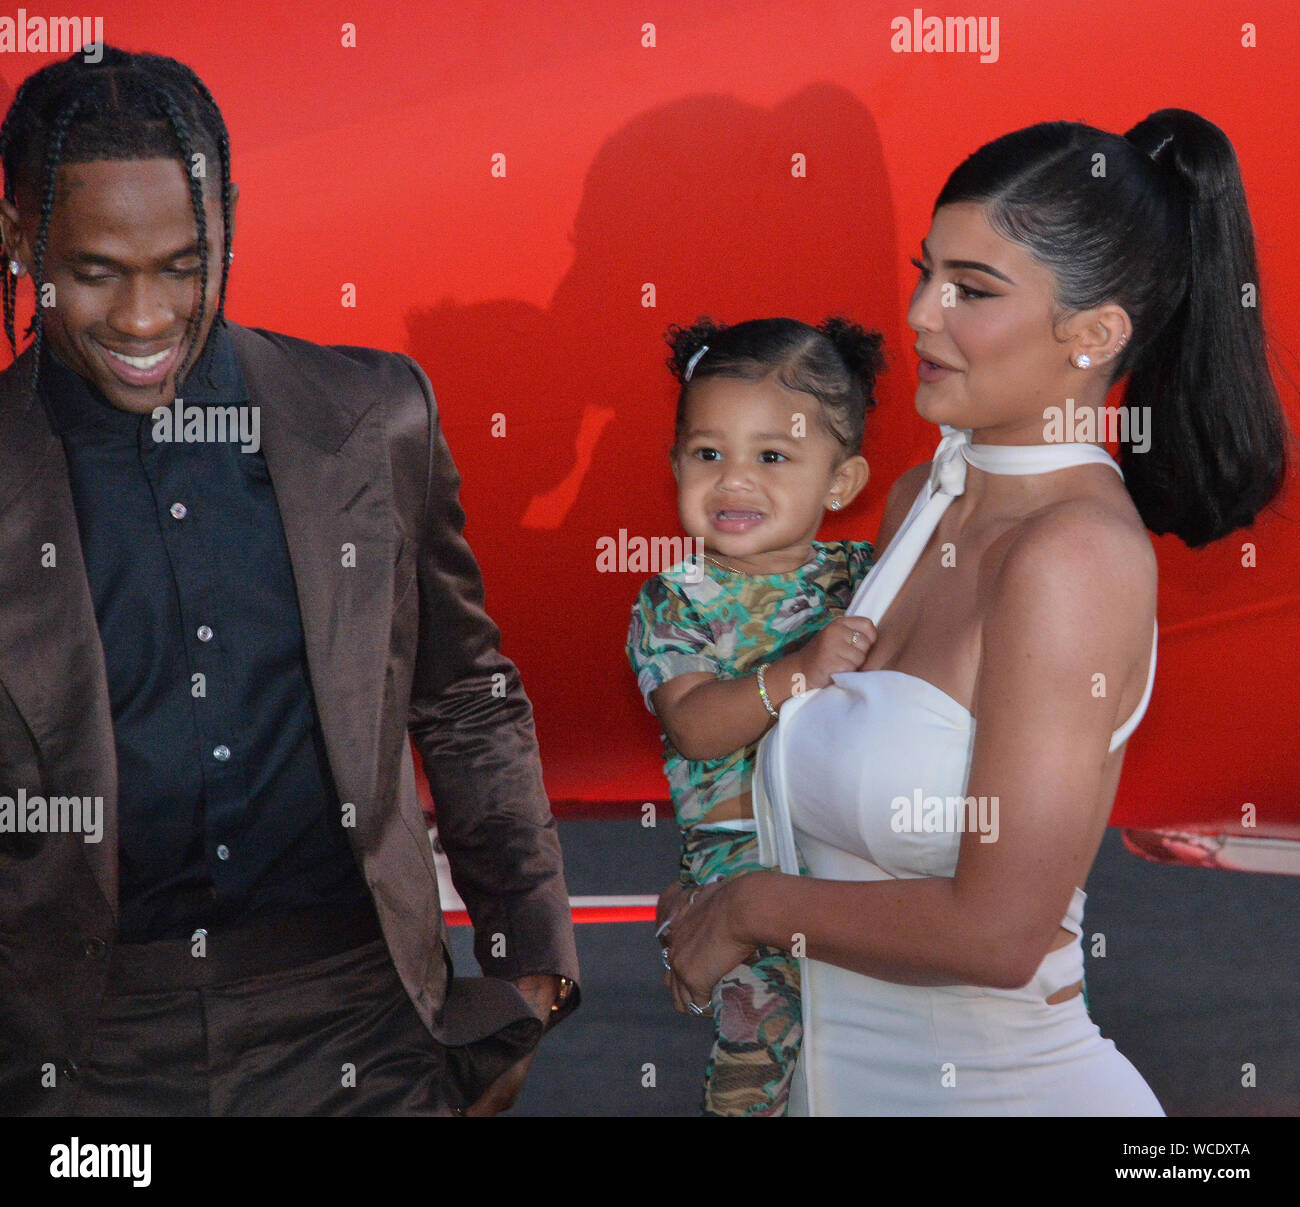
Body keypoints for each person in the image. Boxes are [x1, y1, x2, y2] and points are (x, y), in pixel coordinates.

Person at [660, 110, 1286, 1115]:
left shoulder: (1072, 559)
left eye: (972, 291)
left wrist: (752, 907)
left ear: (1095, 334)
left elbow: (997, 934)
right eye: (925, 272)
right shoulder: (921, 498)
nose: (917, 314)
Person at [0, 47, 578, 1117]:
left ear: (228, 225)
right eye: (94, 271)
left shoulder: (368, 417)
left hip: (359, 1023)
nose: (143, 317)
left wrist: (527, 958)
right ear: (19, 239)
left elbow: (462, 696)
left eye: (183, 263)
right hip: (79, 1054)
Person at [626, 316, 882, 1114]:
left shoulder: (868, 576)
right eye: (709, 455)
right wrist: (798, 672)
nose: (734, 481)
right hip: (743, 889)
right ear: (674, 465)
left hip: (858, 871)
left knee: (875, 1057)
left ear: (840, 482)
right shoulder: (676, 600)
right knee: (759, 1054)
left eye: (772, 457)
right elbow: (695, 725)